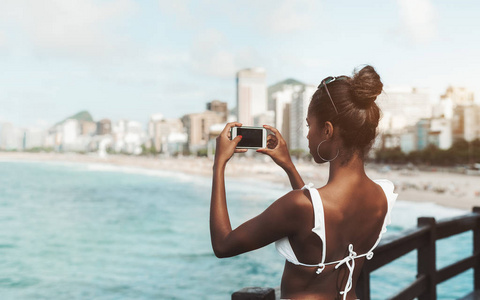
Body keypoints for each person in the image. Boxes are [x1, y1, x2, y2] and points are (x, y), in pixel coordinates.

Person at [210, 65, 397, 300]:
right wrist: (288, 165)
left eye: (310, 126)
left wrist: (219, 165)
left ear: (327, 130)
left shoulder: (299, 206)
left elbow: (223, 245)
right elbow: (318, 221)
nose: (308, 135)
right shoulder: (382, 197)